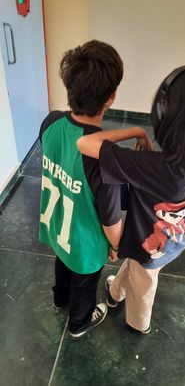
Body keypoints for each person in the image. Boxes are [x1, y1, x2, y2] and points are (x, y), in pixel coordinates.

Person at [77, 65, 185, 334]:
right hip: (178, 239)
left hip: (148, 244)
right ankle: (115, 293)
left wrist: (135, 131)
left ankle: (138, 324)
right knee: (139, 268)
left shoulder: (154, 167)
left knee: (145, 284)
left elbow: (85, 145)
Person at [39, 40, 124, 338]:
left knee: (62, 263)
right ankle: (79, 323)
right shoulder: (104, 160)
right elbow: (112, 222)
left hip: (58, 227)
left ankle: (59, 300)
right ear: (111, 96)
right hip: (85, 245)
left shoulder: (49, 123)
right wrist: (116, 245)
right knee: (85, 282)